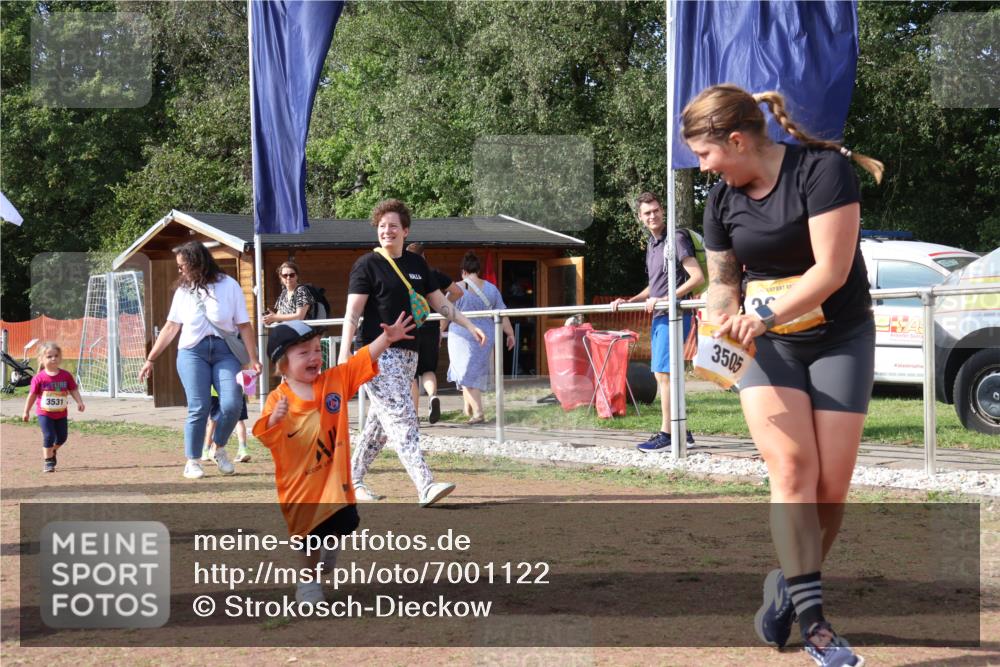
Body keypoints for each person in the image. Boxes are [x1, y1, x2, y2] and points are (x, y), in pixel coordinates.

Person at [683, 83, 883, 667]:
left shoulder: (822, 172)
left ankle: (788, 586)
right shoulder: (721, 200)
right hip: (767, 349)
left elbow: (832, 269)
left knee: (831, 489)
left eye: (705, 154)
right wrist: (721, 315)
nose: (703, 167)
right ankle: (817, 627)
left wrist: (762, 316)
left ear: (738, 140)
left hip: (839, 336)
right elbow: (723, 279)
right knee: (793, 469)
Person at [252, 314, 414, 603]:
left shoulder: (334, 382)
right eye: (304, 352)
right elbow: (265, 436)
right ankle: (308, 584)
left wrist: (386, 339)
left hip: (335, 482)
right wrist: (274, 419)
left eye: (317, 349)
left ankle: (331, 543)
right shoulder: (278, 398)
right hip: (300, 489)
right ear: (282, 364)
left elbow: (359, 363)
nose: (315, 357)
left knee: (341, 522)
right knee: (308, 537)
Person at [339, 198, 487, 507]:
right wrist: (343, 354)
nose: (387, 231)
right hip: (378, 356)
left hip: (410, 357)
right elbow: (352, 313)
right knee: (404, 419)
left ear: (405, 231)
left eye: (393, 226)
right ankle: (425, 484)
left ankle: (350, 482)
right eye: (382, 226)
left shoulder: (417, 265)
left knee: (379, 428)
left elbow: (440, 302)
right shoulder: (367, 264)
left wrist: (468, 324)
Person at [139, 240, 262, 480]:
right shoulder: (184, 291)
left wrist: (252, 359)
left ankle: (219, 448)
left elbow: (244, 325)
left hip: (225, 351)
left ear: (197, 263)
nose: (180, 270)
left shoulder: (230, 286)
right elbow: (171, 327)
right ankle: (193, 460)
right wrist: (150, 359)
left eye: (182, 265)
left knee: (232, 404)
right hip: (192, 352)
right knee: (199, 406)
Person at [610, 192, 704, 452]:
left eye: (656, 211)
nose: (652, 216)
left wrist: (664, 298)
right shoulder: (653, 245)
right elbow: (654, 286)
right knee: (662, 373)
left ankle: (668, 434)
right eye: (647, 213)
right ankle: (681, 430)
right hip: (660, 314)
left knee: (664, 374)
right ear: (640, 218)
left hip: (673, 314)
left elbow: (695, 277)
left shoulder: (676, 238)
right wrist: (631, 300)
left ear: (663, 211)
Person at [446, 251, 515, 424]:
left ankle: (478, 413)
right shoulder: (491, 289)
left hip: (461, 336)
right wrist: (510, 333)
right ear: (478, 270)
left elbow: (445, 312)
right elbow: (502, 313)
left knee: (465, 372)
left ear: (463, 271)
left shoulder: (457, 288)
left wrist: (439, 333)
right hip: (486, 335)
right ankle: (467, 407)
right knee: (471, 372)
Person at [405, 242, 462, 424]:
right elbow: (457, 291)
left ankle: (413, 416)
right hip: (431, 326)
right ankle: (432, 397)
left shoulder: (403, 273)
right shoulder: (433, 274)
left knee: (411, 374)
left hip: (410, 326)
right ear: (425, 256)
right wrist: (442, 305)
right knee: (428, 369)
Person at [21, 342, 85, 472]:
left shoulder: (66, 375)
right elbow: (32, 395)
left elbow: (73, 390)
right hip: (44, 413)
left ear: (60, 357)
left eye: (56, 355)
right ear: (42, 359)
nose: (53, 358)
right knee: (49, 435)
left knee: (62, 437)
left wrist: (79, 402)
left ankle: (52, 451)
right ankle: (48, 462)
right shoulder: (39, 378)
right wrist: (26, 411)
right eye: (49, 356)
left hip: (61, 413)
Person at [201, 384, 251, 463]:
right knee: (239, 420)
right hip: (236, 392)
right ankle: (243, 450)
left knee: (212, 421)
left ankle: (206, 450)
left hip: (217, 392)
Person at [263, 260, 315, 325]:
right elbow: (279, 316)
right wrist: (270, 319)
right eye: (285, 275)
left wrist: (275, 317)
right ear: (281, 277)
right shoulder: (283, 293)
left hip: (302, 331)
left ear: (297, 276)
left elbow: (299, 317)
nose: (288, 278)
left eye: (292, 275)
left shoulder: (301, 290)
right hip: (286, 330)